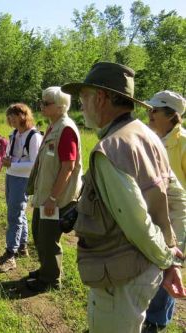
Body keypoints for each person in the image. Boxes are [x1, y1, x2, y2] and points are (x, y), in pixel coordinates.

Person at [61, 62, 185, 332]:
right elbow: (177, 199)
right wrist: (172, 255)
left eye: (84, 97)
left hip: (121, 277)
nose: (81, 105)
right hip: (142, 271)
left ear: (101, 97)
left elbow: (138, 223)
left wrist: (168, 261)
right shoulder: (148, 135)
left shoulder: (110, 149)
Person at [26, 86, 82, 292]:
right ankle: (45, 270)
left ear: (61, 106)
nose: (41, 106)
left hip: (55, 199)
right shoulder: (54, 126)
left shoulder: (65, 129)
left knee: (49, 240)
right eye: (42, 101)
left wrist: (52, 198)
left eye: (46, 103)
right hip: (45, 195)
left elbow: (68, 166)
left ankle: (50, 280)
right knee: (40, 236)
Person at [143, 90, 186, 332]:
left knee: (169, 267)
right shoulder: (152, 138)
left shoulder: (183, 142)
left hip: (176, 218)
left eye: (155, 110)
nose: (149, 113)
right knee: (153, 267)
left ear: (171, 115)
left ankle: (157, 321)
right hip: (154, 214)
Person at [0, 103, 42, 272]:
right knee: (17, 212)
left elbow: (35, 164)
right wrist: (7, 160)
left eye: (13, 116)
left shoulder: (34, 136)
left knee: (14, 215)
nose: (10, 119)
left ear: (23, 116)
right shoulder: (15, 134)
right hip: (11, 175)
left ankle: (10, 253)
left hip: (23, 179)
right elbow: (13, 156)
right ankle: (22, 246)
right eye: (8, 116)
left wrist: (12, 163)